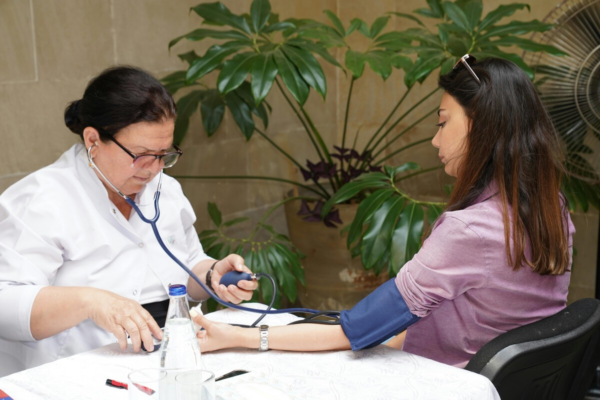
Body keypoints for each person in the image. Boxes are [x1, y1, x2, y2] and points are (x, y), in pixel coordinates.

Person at [191, 56, 574, 368]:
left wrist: (239, 336)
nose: (435, 139)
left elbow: (354, 330)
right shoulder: (552, 208)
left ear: (481, 126)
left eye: (443, 122)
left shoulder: (468, 231)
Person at [0, 66, 257, 374]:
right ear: (93, 140)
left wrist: (212, 274)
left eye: (163, 154)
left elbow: (188, 265)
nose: (154, 168)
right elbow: (5, 303)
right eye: (141, 154)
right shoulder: (42, 199)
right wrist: (92, 302)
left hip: (164, 360)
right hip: (74, 373)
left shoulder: (165, 190)